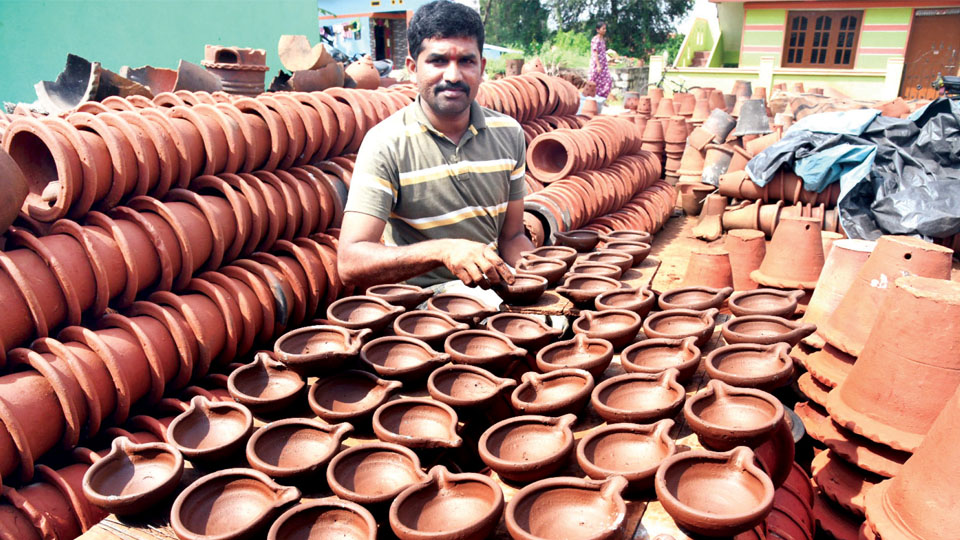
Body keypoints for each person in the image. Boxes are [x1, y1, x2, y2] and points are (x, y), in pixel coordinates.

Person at [337, 0, 533, 292]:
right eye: (438, 61)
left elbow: (512, 236)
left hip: (493, 295)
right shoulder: (385, 143)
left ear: (482, 68)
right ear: (413, 68)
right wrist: (443, 251)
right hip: (420, 310)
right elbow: (350, 263)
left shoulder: (508, 133)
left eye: (466, 61)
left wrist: (539, 275)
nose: (453, 76)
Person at [588, 21, 612, 103]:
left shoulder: (603, 40)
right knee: (594, 82)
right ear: (598, 30)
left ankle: (601, 100)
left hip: (603, 64)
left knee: (607, 80)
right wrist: (598, 65)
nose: (605, 30)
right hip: (596, 64)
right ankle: (591, 101)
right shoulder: (595, 39)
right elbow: (595, 53)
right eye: (603, 29)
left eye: (605, 29)